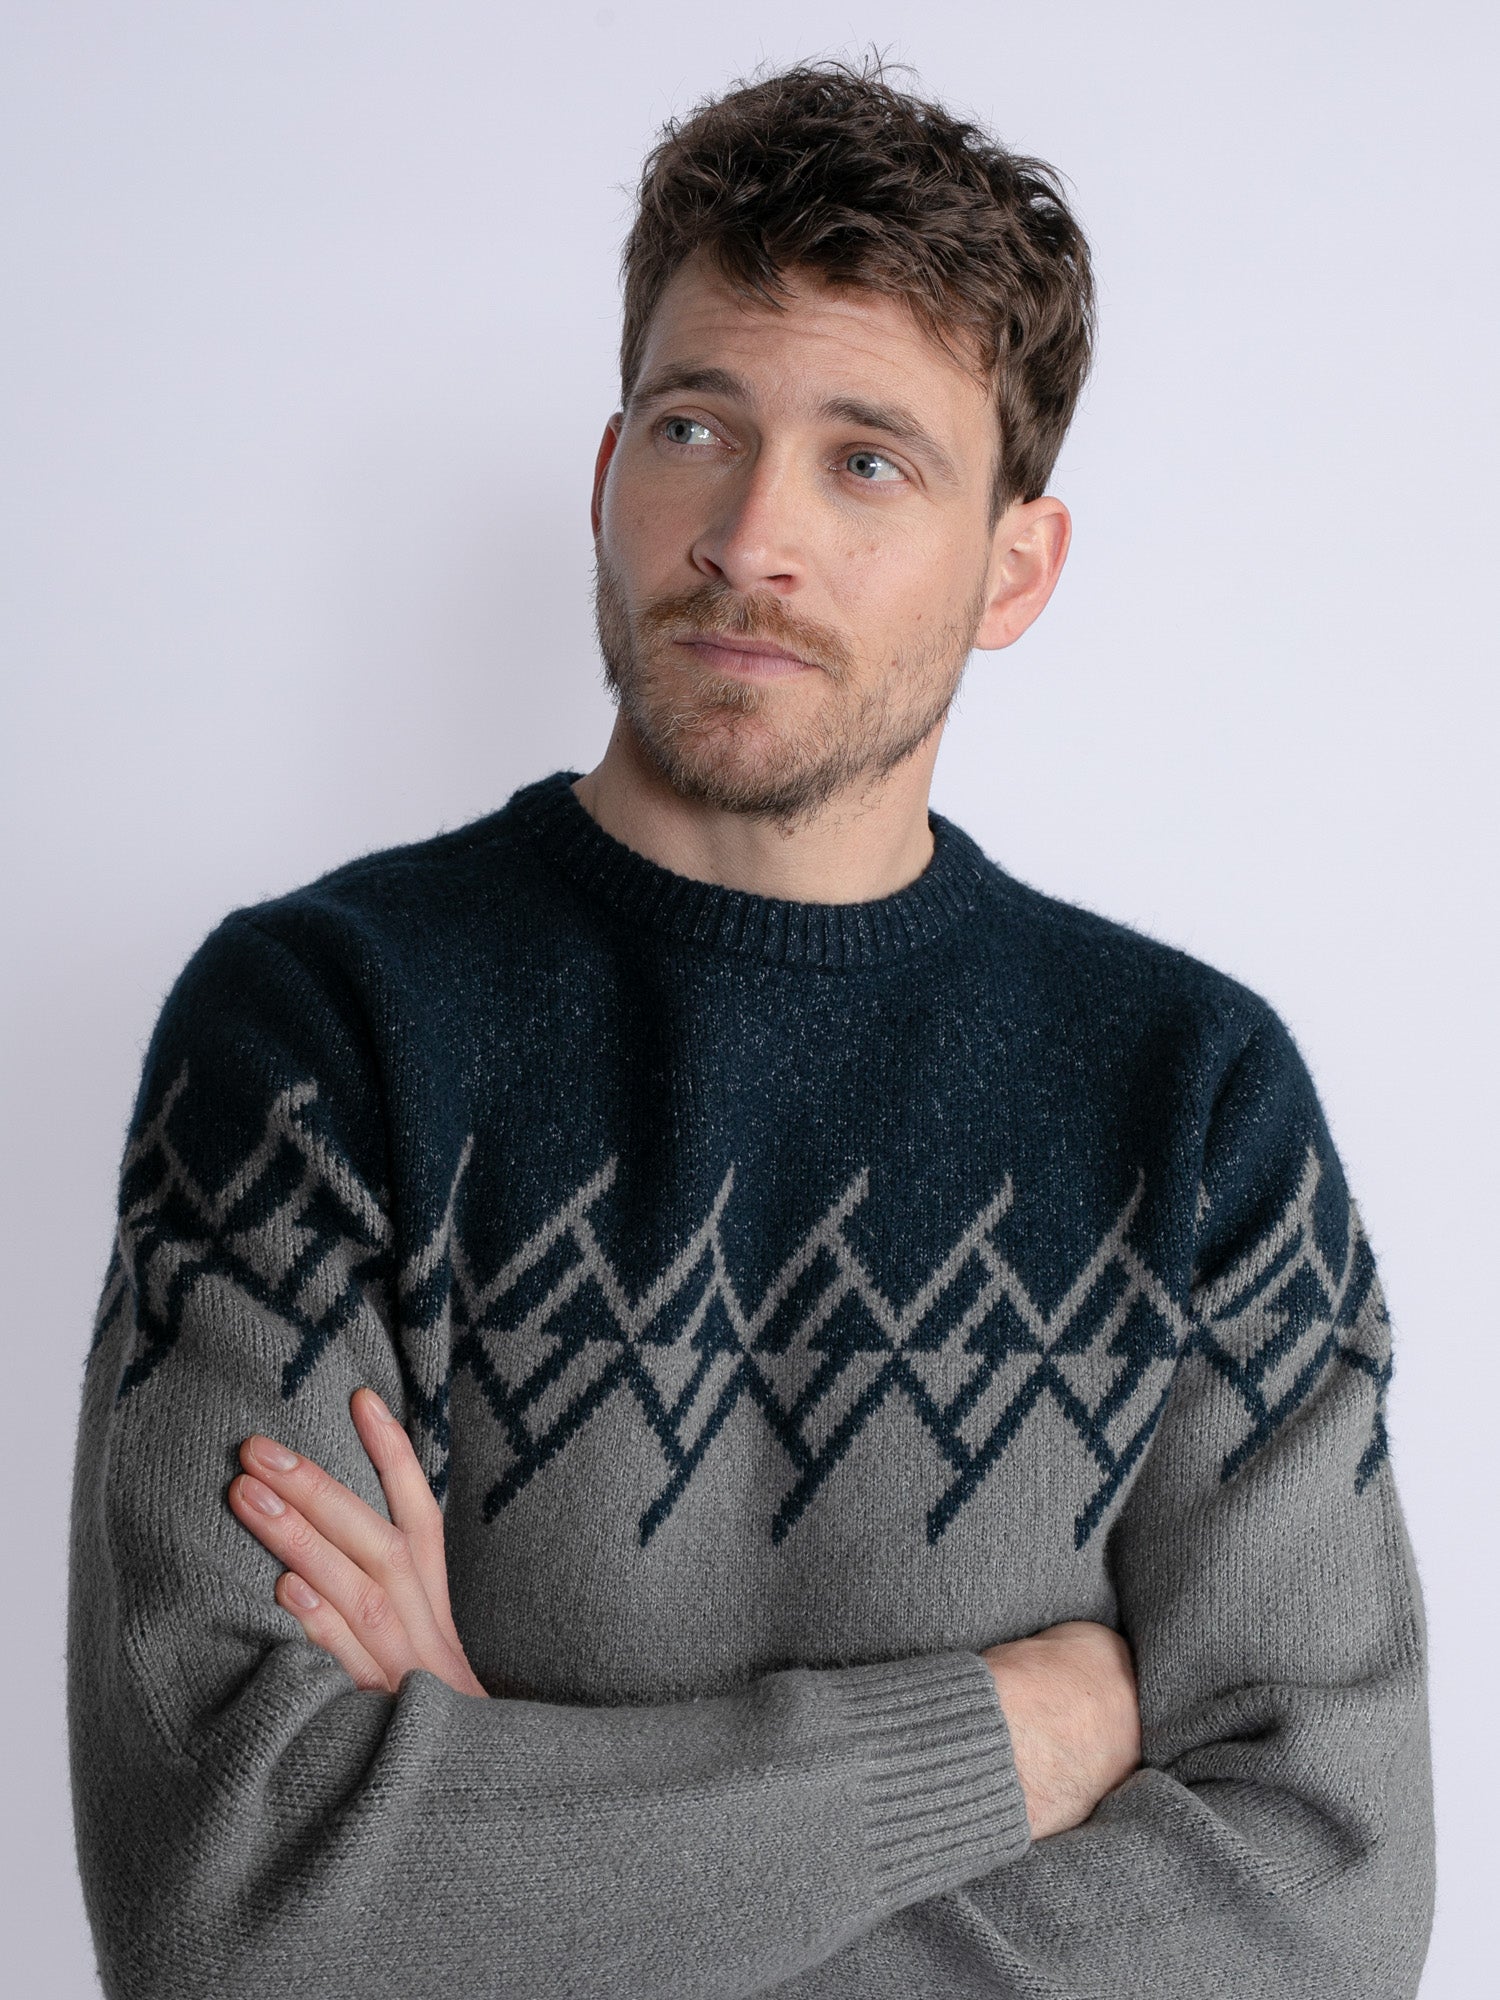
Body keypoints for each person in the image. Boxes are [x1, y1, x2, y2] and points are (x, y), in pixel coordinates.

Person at [67, 57, 1435, 2000]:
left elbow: (1321, 1911)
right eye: (698, 427)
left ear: (1016, 569)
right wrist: (1011, 1737)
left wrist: (515, 1869)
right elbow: (233, 1920)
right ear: (609, 474)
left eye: (869, 461)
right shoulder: (320, 1034)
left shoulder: (1194, 1103)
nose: (748, 535)